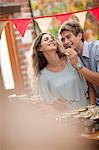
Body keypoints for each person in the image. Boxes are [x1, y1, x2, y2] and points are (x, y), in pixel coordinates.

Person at [28, 32, 94, 112]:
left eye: (52, 39)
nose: (51, 40)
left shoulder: (71, 58)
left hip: (87, 112)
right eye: (46, 39)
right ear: (39, 48)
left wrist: (93, 109)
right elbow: (46, 104)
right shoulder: (42, 75)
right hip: (69, 120)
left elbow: (89, 85)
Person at [58, 21, 98, 105]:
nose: (65, 42)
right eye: (63, 39)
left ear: (79, 35)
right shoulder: (70, 57)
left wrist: (77, 65)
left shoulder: (97, 48)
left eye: (68, 37)